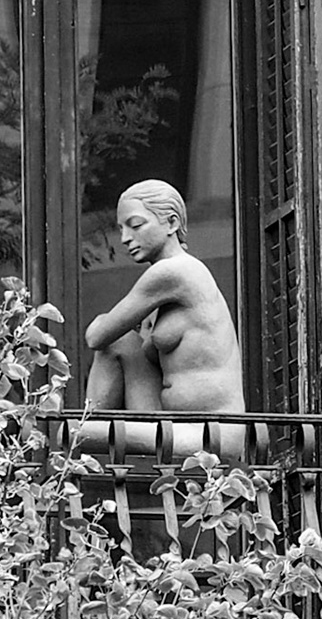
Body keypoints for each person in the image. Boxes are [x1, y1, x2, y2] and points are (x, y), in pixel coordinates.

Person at [83, 180, 245, 459]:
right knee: (120, 342)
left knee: (70, 434)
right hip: (172, 422)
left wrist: (105, 322)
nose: (124, 238)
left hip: (209, 434)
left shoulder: (176, 272)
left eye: (135, 225)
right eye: (121, 229)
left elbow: (95, 336)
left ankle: (84, 438)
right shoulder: (161, 297)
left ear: (171, 223)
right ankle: (89, 431)